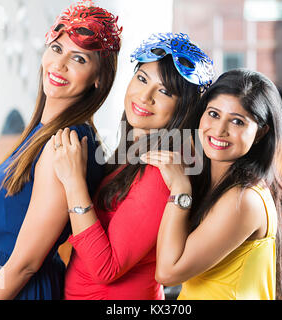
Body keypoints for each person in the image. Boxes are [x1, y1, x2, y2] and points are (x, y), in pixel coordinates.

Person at [0, 1, 122, 300]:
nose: (59, 65)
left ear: (99, 78)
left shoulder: (64, 143)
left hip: (15, 287)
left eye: (79, 59)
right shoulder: (43, 130)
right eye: (57, 49)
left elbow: (25, 264)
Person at [51, 32, 214, 299]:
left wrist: (73, 182)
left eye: (163, 91)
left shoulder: (160, 172)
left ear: (182, 109)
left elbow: (106, 268)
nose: (144, 96)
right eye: (141, 79)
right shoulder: (132, 151)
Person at [142, 69, 282, 300]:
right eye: (213, 114)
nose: (220, 130)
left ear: (260, 133)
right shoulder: (217, 183)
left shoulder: (244, 200)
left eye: (237, 121)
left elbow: (167, 272)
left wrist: (181, 189)